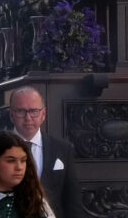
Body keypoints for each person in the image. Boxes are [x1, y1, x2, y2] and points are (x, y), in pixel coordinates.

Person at [9, 86, 81, 218]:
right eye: (21, 111)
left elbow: (72, 200)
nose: (28, 118)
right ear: (11, 115)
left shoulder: (63, 149)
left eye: (34, 111)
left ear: (43, 114)